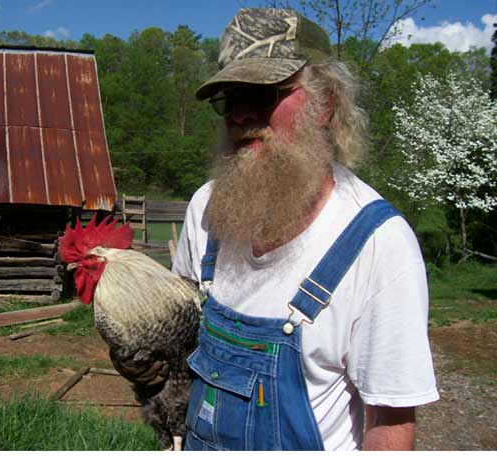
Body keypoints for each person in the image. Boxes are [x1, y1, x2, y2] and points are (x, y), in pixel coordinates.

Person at [170, 8, 439, 451]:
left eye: (264, 93)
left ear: (325, 103)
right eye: (230, 99)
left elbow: (389, 424)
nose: (240, 115)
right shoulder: (206, 208)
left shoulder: (378, 243)